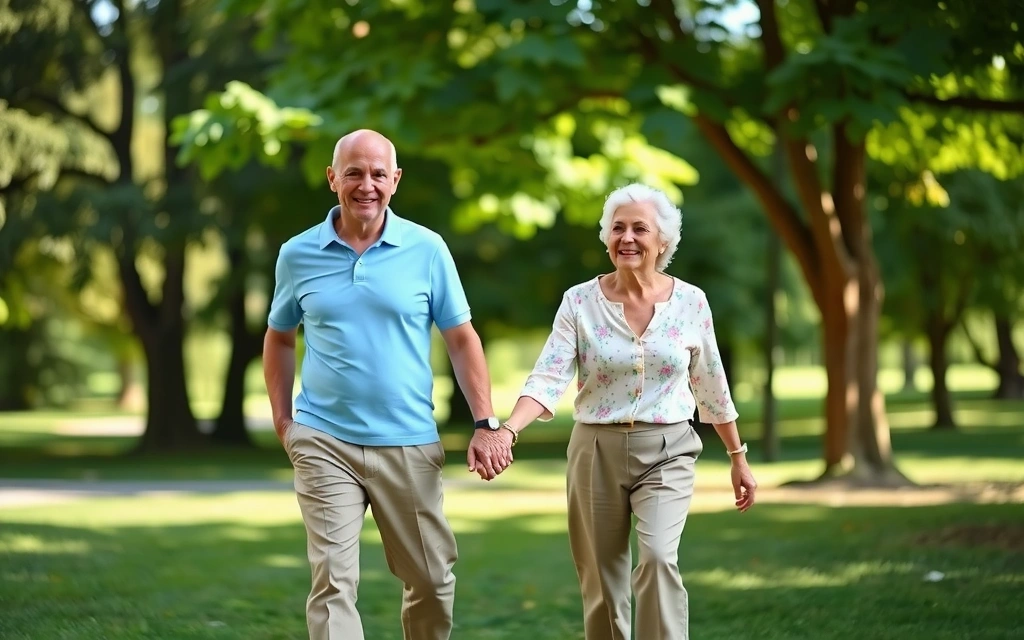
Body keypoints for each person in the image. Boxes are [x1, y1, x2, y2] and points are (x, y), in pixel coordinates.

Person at [263, 129, 513, 640]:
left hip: (408, 441)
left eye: (378, 173)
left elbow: (462, 339)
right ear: (332, 178)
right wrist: (285, 421)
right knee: (333, 581)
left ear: (395, 181)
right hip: (323, 438)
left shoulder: (427, 249)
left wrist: (486, 422)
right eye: (354, 172)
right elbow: (280, 337)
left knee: (431, 579)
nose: (366, 185)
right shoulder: (296, 254)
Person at [495, 183, 758, 640]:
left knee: (658, 558)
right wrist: (508, 431)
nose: (628, 238)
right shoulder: (579, 302)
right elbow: (548, 376)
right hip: (595, 449)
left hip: (668, 448)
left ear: (663, 242)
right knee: (601, 577)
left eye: (641, 228)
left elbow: (710, 383)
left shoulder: (691, 302)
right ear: (606, 238)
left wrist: (738, 456)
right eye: (618, 228)